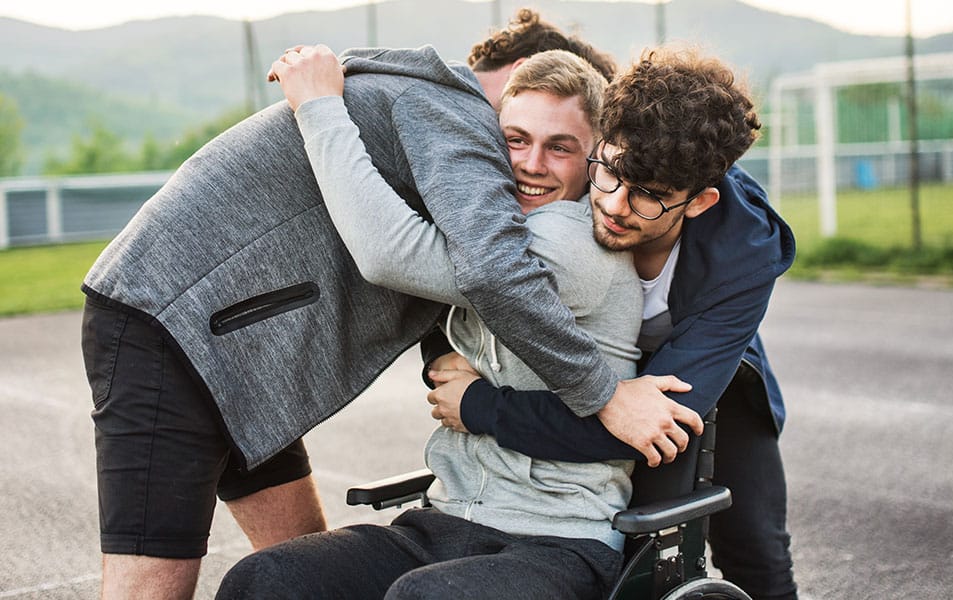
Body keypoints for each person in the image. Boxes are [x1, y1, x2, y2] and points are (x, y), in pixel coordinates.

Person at [79, 9, 698, 599]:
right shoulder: (461, 150)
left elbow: (427, 262)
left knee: (423, 596)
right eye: (514, 138)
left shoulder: (568, 241)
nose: (528, 164)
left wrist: (321, 106)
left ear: (595, 159)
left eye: (560, 147)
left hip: (558, 536)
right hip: (191, 319)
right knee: (265, 581)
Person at [427, 47, 799, 600]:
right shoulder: (573, 177)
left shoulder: (743, 256)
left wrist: (480, 405)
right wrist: (444, 366)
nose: (617, 207)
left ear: (698, 203)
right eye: (612, 173)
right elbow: (457, 287)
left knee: (754, 552)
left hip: (704, 382)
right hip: (588, 375)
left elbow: (648, 430)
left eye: (650, 198)